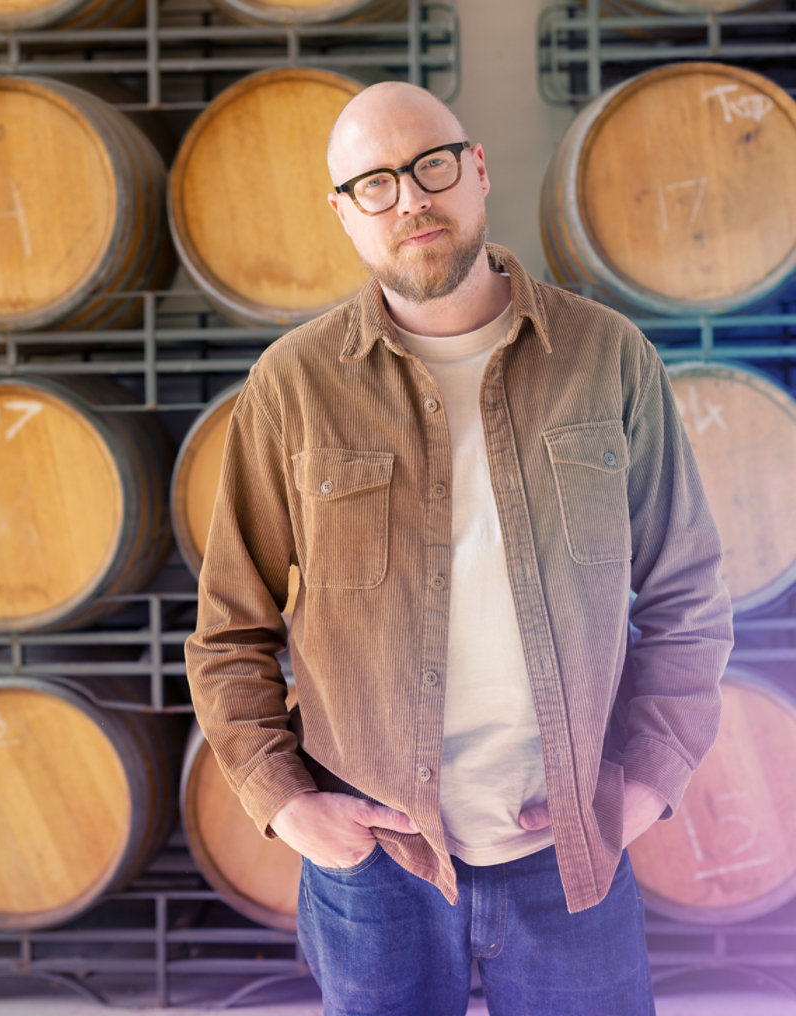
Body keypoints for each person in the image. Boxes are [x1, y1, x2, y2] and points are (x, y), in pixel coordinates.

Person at [183, 81, 733, 1016]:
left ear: (476, 171)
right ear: (344, 215)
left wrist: (645, 785)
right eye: (375, 184)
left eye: (431, 165)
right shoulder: (294, 386)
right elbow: (229, 628)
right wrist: (286, 803)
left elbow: (687, 597)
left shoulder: (606, 357)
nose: (410, 199)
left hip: (572, 858)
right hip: (375, 871)